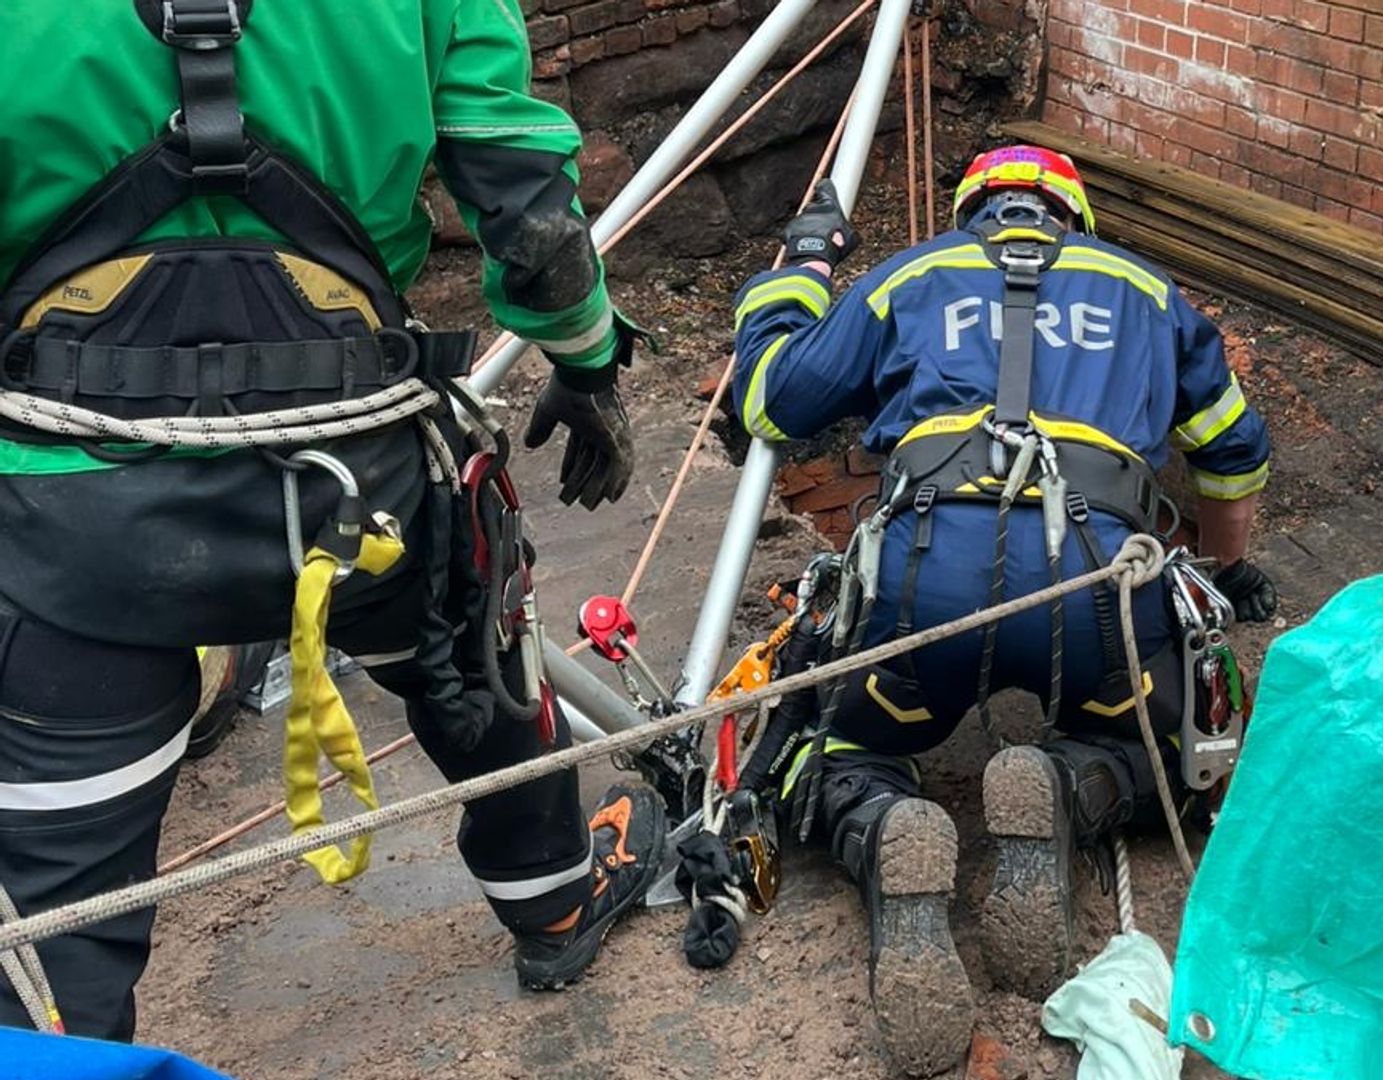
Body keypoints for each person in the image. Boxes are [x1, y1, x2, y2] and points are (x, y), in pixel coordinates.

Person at [0, 0, 667, 1039]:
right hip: (361, 495)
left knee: (56, 905)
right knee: (476, 657)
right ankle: (555, 897)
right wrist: (586, 364)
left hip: (81, 516)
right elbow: (530, 214)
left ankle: (58, 1044)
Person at [730, 144, 1278, 1076]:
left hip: (922, 584)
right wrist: (1221, 575)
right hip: (1097, 591)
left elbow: (769, 402)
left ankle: (880, 829)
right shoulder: (1146, 290)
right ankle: (1068, 789)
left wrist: (800, 276)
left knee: (829, 749)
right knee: (1176, 759)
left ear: (972, 207)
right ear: (1075, 218)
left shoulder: (915, 272)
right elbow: (1233, 451)